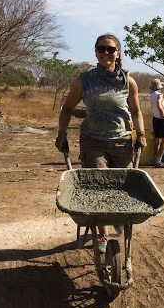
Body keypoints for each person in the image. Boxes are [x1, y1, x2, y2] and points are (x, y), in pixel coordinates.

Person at [55, 33, 147, 253]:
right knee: (98, 184)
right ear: (96, 52)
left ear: (118, 53)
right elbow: (67, 108)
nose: (106, 53)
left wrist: (141, 133)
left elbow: (135, 110)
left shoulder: (128, 81)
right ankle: (103, 234)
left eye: (110, 49)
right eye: (101, 49)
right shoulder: (84, 80)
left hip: (122, 141)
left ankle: (116, 217)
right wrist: (61, 133)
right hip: (93, 140)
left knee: (122, 188)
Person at [149, 78, 164, 168]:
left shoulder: (151, 94)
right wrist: (163, 114)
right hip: (161, 119)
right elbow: (159, 104)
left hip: (155, 118)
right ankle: (158, 161)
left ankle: (155, 159)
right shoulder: (159, 95)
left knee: (157, 140)